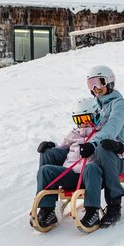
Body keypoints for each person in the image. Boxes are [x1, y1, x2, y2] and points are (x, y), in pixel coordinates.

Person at [36, 66, 124, 229]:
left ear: (109, 82)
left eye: (99, 83)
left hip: (115, 153)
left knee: (102, 148)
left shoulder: (119, 105)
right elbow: (80, 132)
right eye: (91, 84)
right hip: (89, 153)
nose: (95, 88)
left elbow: (111, 130)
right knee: (49, 154)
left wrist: (92, 144)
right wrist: (54, 146)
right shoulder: (95, 104)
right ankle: (48, 208)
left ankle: (114, 205)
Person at [31, 97, 102, 230]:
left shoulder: (102, 134)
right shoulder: (74, 134)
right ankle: (47, 210)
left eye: (87, 119)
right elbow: (63, 148)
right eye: (79, 120)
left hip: (90, 177)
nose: (83, 123)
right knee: (45, 170)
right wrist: (51, 146)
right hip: (71, 175)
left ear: (96, 116)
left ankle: (93, 212)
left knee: (91, 167)